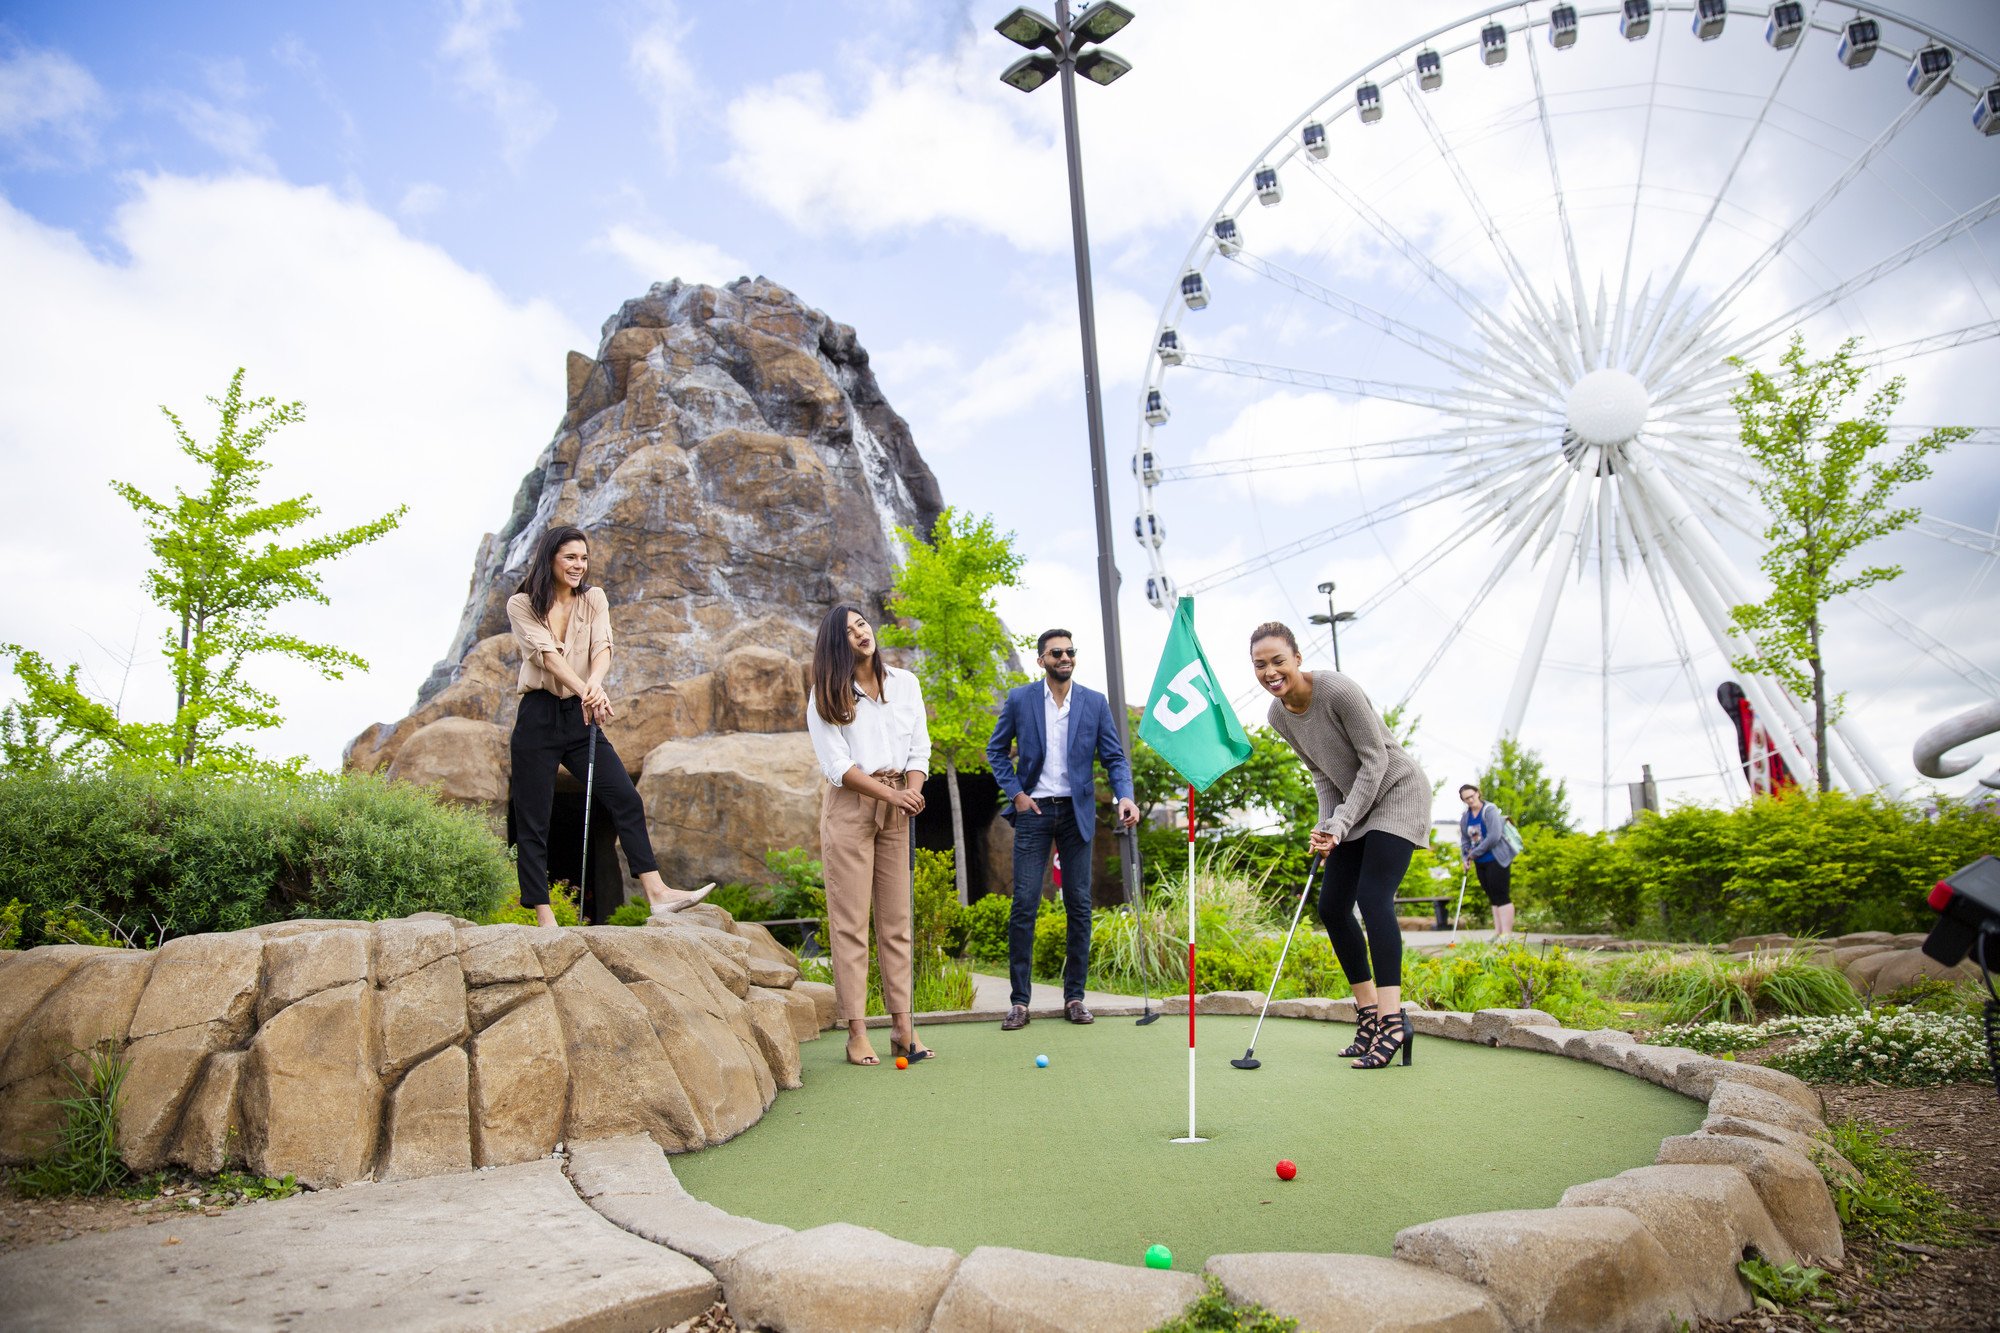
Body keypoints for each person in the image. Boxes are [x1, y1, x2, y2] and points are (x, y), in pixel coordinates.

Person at [507, 525, 712, 929]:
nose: (578, 565)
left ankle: (658, 894)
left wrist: (594, 687)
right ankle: (546, 919)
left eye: (583, 558)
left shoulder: (594, 598)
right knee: (533, 821)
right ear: (550, 558)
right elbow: (548, 658)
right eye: (570, 557)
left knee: (624, 797)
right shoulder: (522, 604)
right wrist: (587, 690)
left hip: (579, 714)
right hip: (537, 716)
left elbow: (603, 646)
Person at [1253, 622, 1432, 1069]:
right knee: (1332, 907)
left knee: (1373, 899)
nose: (1271, 672)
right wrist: (1327, 825)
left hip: (1395, 792)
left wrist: (1342, 821)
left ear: (1296, 658)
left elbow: (1376, 760)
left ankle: (1393, 1020)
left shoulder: (1337, 690)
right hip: (1354, 803)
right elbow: (1321, 774)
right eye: (1260, 665)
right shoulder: (1278, 716)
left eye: (1278, 661)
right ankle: (1369, 1013)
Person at [985, 628, 1140, 1031]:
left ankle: (1075, 997)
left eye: (1070, 651)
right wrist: (1017, 794)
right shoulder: (1021, 699)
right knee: (1023, 905)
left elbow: (1114, 757)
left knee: (1079, 904)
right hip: (1034, 811)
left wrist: (1125, 795)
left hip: (1076, 812)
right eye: (1057, 652)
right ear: (1042, 660)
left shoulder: (1093, 701)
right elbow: (996, 750)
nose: (1065, 657)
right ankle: (1020, 1002)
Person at [805, 604, 935, 1068]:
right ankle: (856, 1031)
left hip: (900, 799)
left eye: (861, 623)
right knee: (851, 922)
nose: (860, 632)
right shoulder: (826, 694)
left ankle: (903, 1028)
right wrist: (889, 794)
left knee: (897, 921)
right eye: (847, 631)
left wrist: (912, 791)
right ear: (836, 646)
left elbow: (920, 746)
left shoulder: (906, 683)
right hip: (851, 805)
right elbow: (837, 766)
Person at [1457, 783, 1517, 940]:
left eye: (1471, 796)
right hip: (1479, 862)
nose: (1470, 800)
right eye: (1466, 799)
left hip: (1497, 859)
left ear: (1478, 793)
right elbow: (1464, 839)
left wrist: (1473, 853)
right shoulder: (1465, 817)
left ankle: (1507, 933)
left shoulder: (1489, 810)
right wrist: (1465, 857)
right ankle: (1498, 932)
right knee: (1492, 896)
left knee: (1501, 894)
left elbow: (1494, 836)